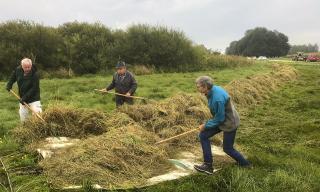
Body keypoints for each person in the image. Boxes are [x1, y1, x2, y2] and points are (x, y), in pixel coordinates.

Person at [194, 76, 250, 175]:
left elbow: (219, 119)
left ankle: (245, 164)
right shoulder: (213, 90)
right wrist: (207, 125)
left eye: (199, 86)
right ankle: (208, 165)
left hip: (229, 123)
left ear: (205, 86)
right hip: (223, 119)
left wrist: (205, 125)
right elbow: (219, 116)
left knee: (227, 148)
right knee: (203, 135)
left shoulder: (217, 98)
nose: (197, 88)